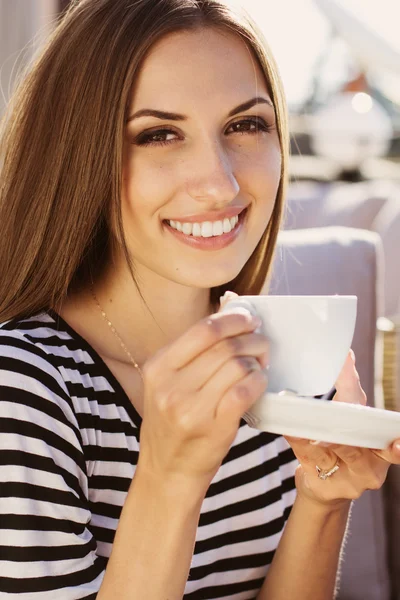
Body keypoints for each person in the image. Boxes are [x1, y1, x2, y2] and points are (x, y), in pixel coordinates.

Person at [0, 1, 399, 598]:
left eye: (245, 125)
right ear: (78, 158)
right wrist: (170, 472)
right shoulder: (23, 390)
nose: (220, 183)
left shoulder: (284, 364)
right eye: (159, 134)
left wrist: (323, 499)